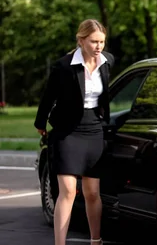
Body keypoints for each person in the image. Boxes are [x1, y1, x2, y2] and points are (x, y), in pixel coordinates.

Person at [34, 19, 114, 245]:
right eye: (94, 42)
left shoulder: (108, 62)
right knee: (68, 191)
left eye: (102, 42)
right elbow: (48, 97)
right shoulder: (63, 66)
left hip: (93, 130)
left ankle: (95, 240)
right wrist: (41, 123)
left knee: (92, 192)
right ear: (81, 41)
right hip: (67, 131)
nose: (99, 46)